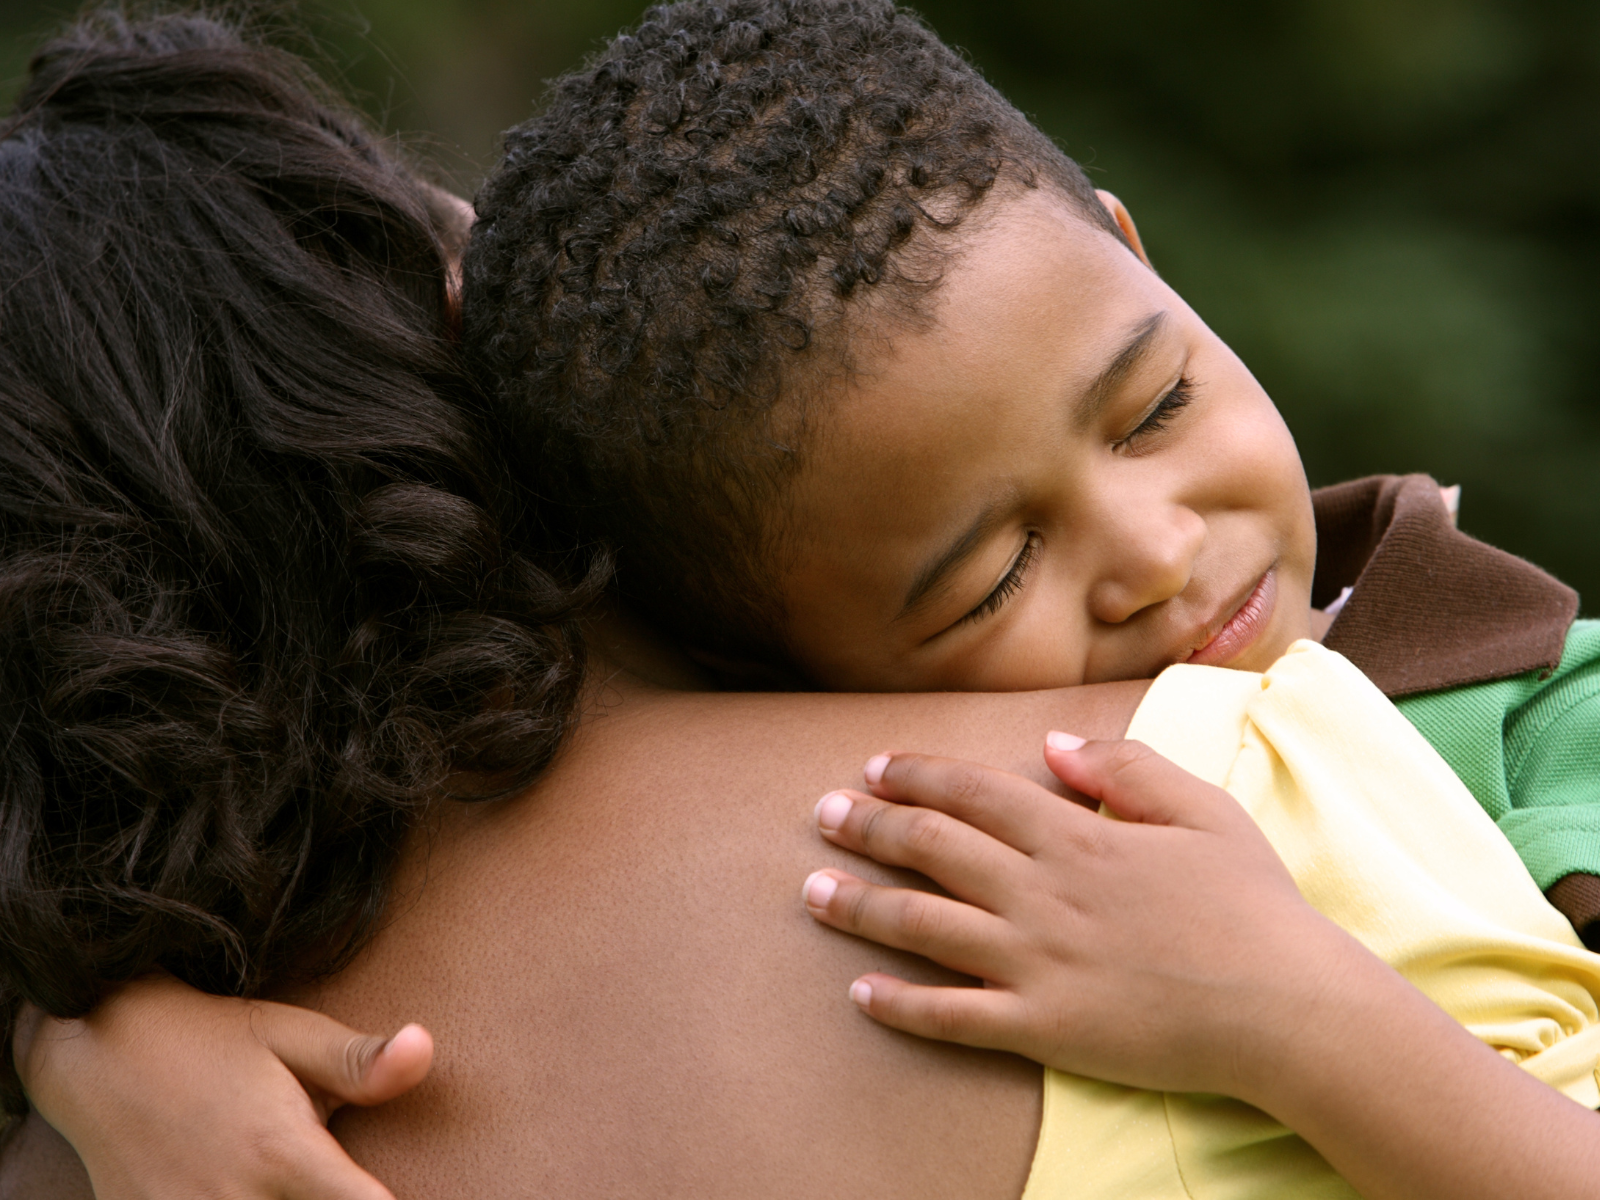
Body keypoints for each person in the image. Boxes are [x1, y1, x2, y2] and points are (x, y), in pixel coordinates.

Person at [8, 4, 1600, 1200]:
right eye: (986, 577)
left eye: (1156, 405)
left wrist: (79, 1043)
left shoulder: (156, 1139)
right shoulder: (1209, 791)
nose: (1162, 558)